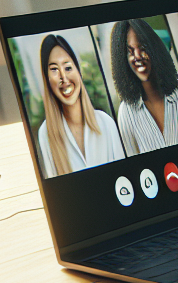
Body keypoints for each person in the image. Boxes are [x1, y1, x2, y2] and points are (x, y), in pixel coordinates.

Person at [37, 34, 124, 178]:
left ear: (79, 72)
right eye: (54, 70)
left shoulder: (106, 123)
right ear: (47, 80)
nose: (63, 78)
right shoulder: (45, 134)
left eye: (68, 67)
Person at [110, 19, 178, 155]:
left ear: (154, 50)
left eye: (143, 48)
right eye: (130, 52)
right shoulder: (126, 113)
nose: (137, 56)